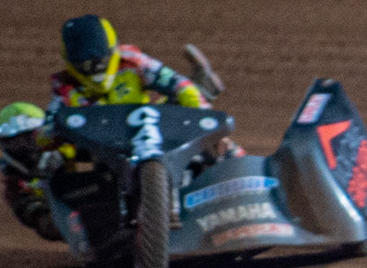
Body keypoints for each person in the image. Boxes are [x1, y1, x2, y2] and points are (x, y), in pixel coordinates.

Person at [50, 14, 244, 162]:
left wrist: (204, 119)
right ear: (70, 64)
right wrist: (44, 137)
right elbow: (50, 123)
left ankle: (251, 176)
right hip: (105, 153)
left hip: (150, 130)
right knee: (55, 159)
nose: (95, 71)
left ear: (113, 50)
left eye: (100, 62)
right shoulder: (65, 86)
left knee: (216, 142)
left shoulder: (132, 61)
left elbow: (177, 83)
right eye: (84, 67)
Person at [0, 101, 67, 240]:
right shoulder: (14, 177)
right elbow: (34, 217)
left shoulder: (65, 142)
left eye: (27, 138)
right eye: (13, 142)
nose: (21, 147)